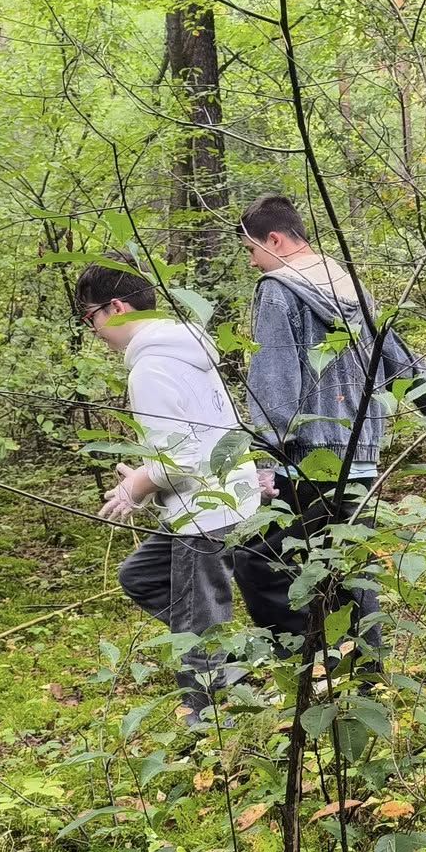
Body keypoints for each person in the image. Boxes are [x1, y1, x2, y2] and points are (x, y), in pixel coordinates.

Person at [230, 195, 426, 673]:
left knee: (258, 562)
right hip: (360, 453)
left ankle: (311, 669)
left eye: (251, 250)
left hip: (307, 457)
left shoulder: (276, 289)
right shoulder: (349, 285)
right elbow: (396, 356)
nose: (253, 262)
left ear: (275, 240)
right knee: (351, 569)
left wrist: (266, 458)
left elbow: (274, 379)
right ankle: (368, 679)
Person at [74, 260, 260, 719]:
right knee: (141, 577)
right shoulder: (182, 348)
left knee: (197, 626)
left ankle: (207, 726)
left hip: (205, 511)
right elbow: (194, 438)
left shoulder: (151, 367)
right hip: (225, 496)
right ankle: (234, 661)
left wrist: (137, 484)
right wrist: (145, 475)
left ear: (116, 307)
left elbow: (181, 460)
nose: (92, 330)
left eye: (90, 316)